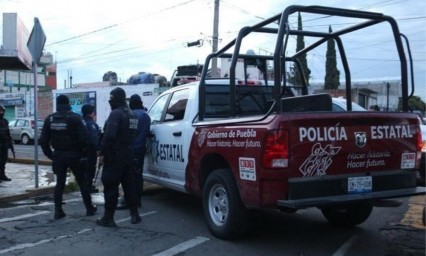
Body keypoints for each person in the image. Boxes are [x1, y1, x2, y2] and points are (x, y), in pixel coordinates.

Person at [40, 95, 97, 220]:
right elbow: (84, 138)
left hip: (59, 155)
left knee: (59, 183)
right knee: (82, 182)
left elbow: (43, 140)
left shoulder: (50, 119)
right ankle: (89, 208)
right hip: (75, 155)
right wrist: (83, 153)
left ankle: (58, 210)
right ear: (68, 104)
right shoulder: (76, 118)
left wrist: (51, 155)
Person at [96, 87, 141, 227]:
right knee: (129, 186)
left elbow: (109, 136)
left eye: (111, 98)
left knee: (110, 186)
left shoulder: (116, 114)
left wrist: (102, 153)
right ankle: (135, 214)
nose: (110, 101)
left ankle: (108, 218)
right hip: (128, 154)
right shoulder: (132, 114)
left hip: (115, 155)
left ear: (117, 98)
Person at [117, 94, 151, 210]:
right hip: (141, 148)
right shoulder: (146, 115)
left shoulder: (132, 114)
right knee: (138, 175)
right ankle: (137, 200)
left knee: (128, 176)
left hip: (130, 149)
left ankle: (129, 200)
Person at [81, 104, 101, 193]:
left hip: (79, 151)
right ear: (92, 113)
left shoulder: (79, 122)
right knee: (90, 169)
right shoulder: (92, 124)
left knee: (82, 170)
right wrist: (98, 149)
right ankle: (88, 187)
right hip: (90, 152)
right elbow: (94, 139)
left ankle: (84, 186)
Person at [0, 105, 13, 182]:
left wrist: (10, 143)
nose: (1, 113)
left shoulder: (5, 121)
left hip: (4, 144)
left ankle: (2, 175)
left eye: (2, 111)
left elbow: (7, 133)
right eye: (0, 111)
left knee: (3, 161)